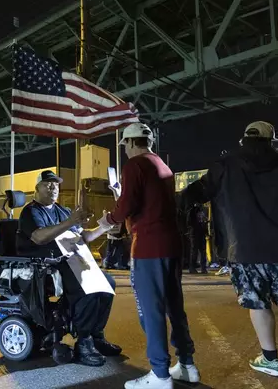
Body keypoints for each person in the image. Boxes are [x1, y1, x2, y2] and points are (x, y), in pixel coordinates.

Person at [183, 121, 278, 377]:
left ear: (244, 139)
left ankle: (271, 359)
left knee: (258, 304)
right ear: (271, 140)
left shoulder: (225, 167)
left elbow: (195, 194)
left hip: (243, 251)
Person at [101, 123, 197, 389]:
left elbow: (127, 206)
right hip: (171, 244)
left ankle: (160, 373)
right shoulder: (163, 165)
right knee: (174, 307)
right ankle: (187, 365)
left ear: (130, 144)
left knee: (151, 311)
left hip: (148, 247)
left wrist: (108, 218)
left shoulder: (134, 166)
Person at [17, 170, 121, 368]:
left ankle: (96, 336)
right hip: (48, 265)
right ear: (37, 188)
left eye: (56, 184)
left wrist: (105, 226)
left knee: (108, 283)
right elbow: (39, 237)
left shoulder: (62, 211)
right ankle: (84, 342)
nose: (53, 187)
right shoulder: (31, 212)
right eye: (48, 184)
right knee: (87, 289)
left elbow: (85, 237)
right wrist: (70, 222)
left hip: (71, 260)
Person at [187, 203, 208, 274]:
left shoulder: (203, 210)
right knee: (194, 251)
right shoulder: (192, 211)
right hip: (195, 233)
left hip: (201, 232)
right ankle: (192, 267)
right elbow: (189, 222)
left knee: (202, 251)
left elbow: (204, 221)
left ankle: (203, 268)